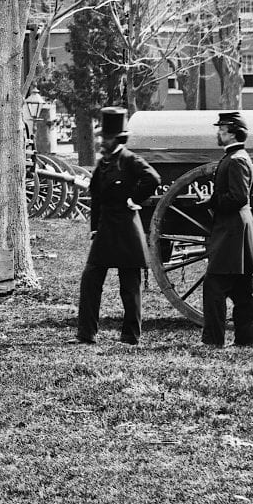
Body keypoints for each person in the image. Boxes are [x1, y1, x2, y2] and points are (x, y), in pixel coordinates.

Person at [76, 106, 162, 344]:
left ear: (118, 139)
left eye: (106, 138)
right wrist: (94, 228)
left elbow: (153, 178)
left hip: (126, 230)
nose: (102, 141)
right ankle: (86, 334)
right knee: (91, 279)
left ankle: (131, 336)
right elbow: (96, 197)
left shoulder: (130, 160)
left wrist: (133, 199)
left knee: (129, 285)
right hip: (105, 231)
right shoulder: (103, 163)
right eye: (102, 137)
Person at [202, 111, 253, 349]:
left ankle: (214, 341)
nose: (218, 133)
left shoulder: (236, 159)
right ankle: (246, 341)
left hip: (232, 231)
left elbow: (238, 197)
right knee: (242, 289)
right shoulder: (236, 156)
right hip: (238, 229)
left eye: (222, 129)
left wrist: (213, 202)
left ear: (234, 133)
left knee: (214, 285)